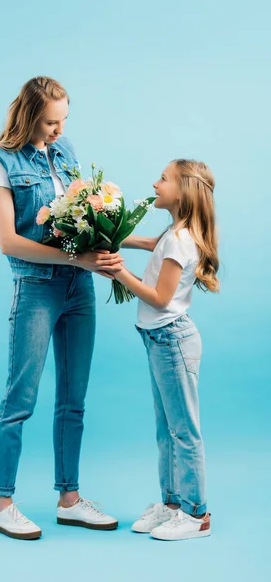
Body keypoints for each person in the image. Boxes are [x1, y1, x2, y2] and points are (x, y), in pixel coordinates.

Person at [0, 76, 120, 540]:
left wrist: (129, 241)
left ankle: (70, 500)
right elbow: (9, 241)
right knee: (20, 399)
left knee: (73, 400)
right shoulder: (1, 161)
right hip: (37, 288)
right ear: (28, 116)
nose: (59, 130)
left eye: (63, 121)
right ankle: (4, 504)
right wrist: (72, 257)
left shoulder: (66, 151)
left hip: (79, 288)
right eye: (50, 122)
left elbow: (84, 219)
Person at [109, 159, 219, 541]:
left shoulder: (178, 239)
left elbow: (159, 298)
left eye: (163, 179)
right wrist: (104, 234)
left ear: (183, 190)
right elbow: (145, 244)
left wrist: (117, 271)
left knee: (183, 430)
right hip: (160, 340)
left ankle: (196, 514)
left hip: (171, 339)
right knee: (166, 431)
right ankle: (172, 504)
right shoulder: (173, 233)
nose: (155, 184)